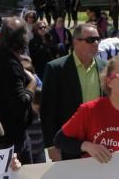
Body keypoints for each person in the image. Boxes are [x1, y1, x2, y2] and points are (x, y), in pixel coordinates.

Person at [41, 22, 105, 162]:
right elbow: (47, 110)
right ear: (76, 41)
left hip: (99, 141)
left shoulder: (104, 67)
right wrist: (51, 146)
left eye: (97, 39)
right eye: (90, 40)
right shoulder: (56, 68)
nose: (95, 43)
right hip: (68, 142)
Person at [0, 17, 38, 163]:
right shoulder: (10, 66)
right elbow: (20, 103)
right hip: (12, 138)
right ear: (22, 39)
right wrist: (32, 83)